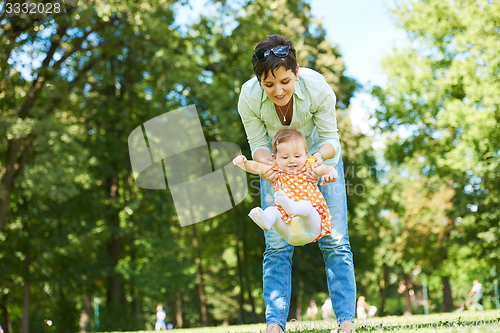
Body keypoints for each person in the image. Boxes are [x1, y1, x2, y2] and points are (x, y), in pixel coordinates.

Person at [237, 34, 356, 333]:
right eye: (269, 84)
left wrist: (314, 162)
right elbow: (258, 145)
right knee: (276, 245)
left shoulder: (317, 89)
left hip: (318, 162)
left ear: (297, 72)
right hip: (277, 168)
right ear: (259, 81)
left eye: (285, 81)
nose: (278, 90)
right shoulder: (248, 97)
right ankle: (275, 325)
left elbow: (332, 142)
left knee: (336, 241)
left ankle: (346, 322)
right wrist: (266, 166)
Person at [233, 129, 337, 246]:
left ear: (306, 153)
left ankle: (294, 208)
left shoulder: (309, 168)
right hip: (288, 230)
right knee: (273, 211)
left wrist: (331, 173)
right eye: (285, 158)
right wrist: (244, 163)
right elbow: (257, 167)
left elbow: (326, 169)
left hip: (311, 228)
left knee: (307, 207)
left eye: (297, 156)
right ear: (275, 157)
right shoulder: (277, 170)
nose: (292, 160)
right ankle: (266, 221)